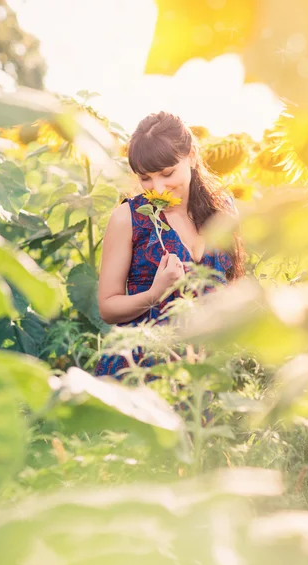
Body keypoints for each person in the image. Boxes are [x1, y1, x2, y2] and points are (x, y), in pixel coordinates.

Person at [94, 111, 245, 381]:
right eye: (146, 178)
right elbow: (107, 307)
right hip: (142, 370)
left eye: (167, 173)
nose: (159, 188)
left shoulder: (223, 210)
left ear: (192, 156)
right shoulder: (128, 218)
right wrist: (156, 292)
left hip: (203, 371)